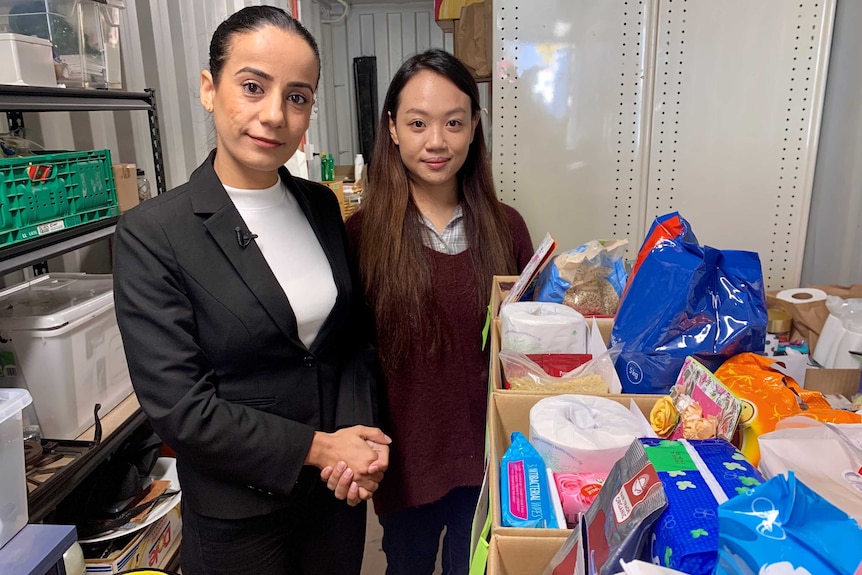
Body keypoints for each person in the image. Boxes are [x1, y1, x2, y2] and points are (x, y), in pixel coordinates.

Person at [112, 6, 389, 575]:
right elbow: (181, 409)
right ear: (209, 89)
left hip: (333, 501)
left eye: (297, 96)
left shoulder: (319, 205)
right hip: (241, 518)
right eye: (253, 87)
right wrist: (320, 448)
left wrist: (359, 443)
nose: (274, 115)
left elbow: (348, 341)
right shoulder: (156, 233)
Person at [342, 49, 534, 575]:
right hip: (406, 462)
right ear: (393, 130)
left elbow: (524, 352)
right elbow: (350, 359)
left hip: (490, 455)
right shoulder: (362, 238)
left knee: (471, 565)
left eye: (453, 122)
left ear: (474, 126)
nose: (437, 141)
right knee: (406, 563)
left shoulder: (507, 228)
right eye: (418, 123)